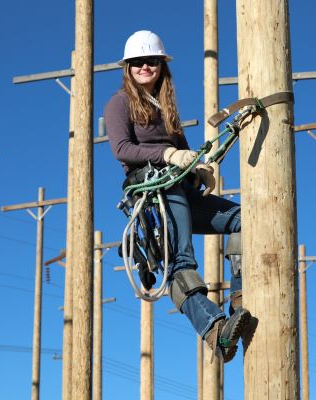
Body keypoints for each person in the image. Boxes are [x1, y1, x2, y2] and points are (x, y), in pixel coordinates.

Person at [104, 30, 249, 363]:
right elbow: (122, 149)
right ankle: (215, 330)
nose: (145, 67)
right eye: (137, 62)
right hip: (155, 190)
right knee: (180, 260)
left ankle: (240, 297)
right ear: (127, 68)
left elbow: (184, 153)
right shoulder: (119, 103)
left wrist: (198, 169)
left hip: (181, 189)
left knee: (243, 220)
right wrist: (169, 155)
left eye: (151, 61)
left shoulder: (165, 108)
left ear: (161, 65)